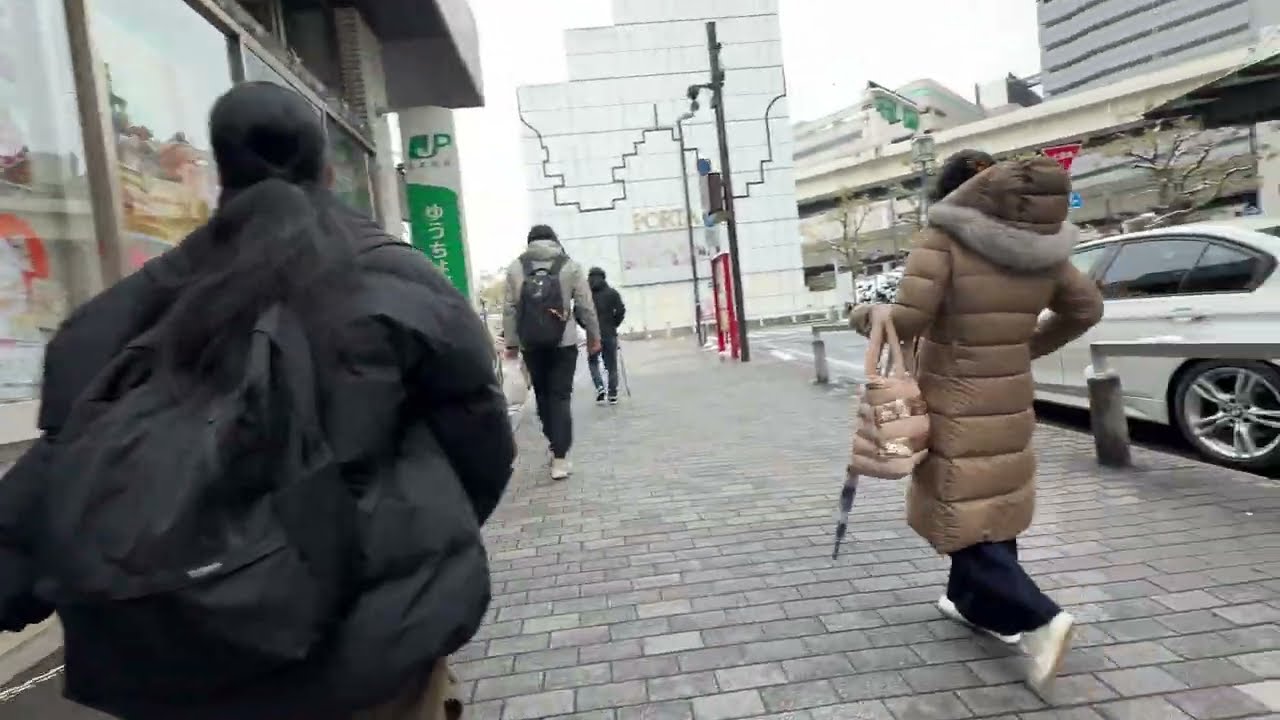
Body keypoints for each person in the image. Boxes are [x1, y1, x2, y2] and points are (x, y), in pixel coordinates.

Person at [0, 82, 513, 720]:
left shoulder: (118, 315)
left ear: (223, 171)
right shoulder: (393, 279)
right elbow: (481, 446)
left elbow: (57, 479)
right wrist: (420, 536)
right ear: (327, 167)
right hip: (373, 653)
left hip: (177, 670)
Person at [851, 155, 1103, 694]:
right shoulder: (1046, 246)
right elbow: (1085, 309)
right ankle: (976, 605)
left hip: (953, 397)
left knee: (957, 510)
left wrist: (865, 316)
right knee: (991, 502)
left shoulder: (941, 240)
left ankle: (1040, 619)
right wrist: (1026, 347)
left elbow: (910, 319)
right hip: (1009, 395)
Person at [504, 225, 600, 480]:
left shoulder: (516, 267)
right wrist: (594, 336)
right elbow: (585, 305)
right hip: (564, 343)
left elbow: (510, 309)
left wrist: (512, 345)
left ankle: (553, 442)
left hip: (531, 344)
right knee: (560, 397)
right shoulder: (569, 265)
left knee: (543, 396)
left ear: (530, 242)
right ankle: (560, 457)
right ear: (554, 240)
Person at [586, 266, 626, 404]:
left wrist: (586, 326)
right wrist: (614, 323)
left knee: (593, 362)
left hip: (593, 335)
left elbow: (577, 312)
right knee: (611, 365)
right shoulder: (612, 293)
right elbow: (621, 310)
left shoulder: (586, 295)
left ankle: (600, 388)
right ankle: (613, 394)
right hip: (609, 333)